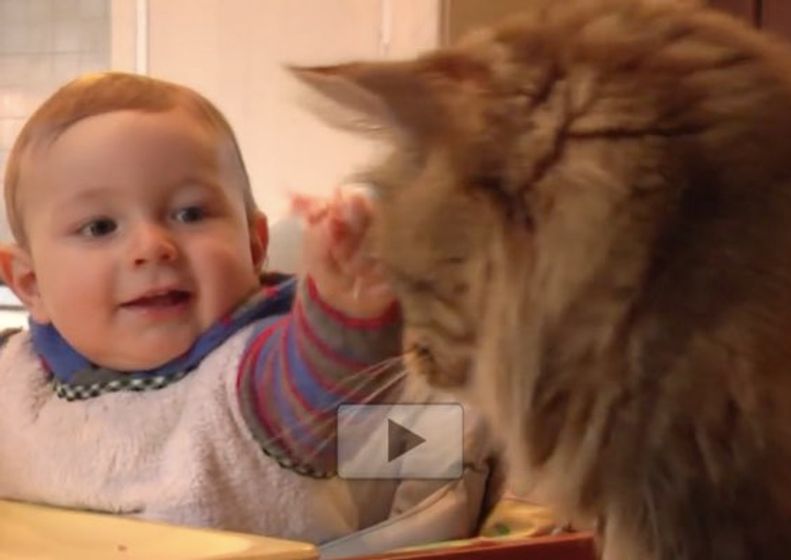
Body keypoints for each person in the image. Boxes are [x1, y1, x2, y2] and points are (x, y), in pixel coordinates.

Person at [0, 72, 491, 554]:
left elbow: (321, 379)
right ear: (31, 283)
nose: (151, 247)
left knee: (405, 439)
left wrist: (343, 310)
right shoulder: (14, 382)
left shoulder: (255, 379)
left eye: (190, 213)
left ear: (255, 247)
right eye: (100, 226)